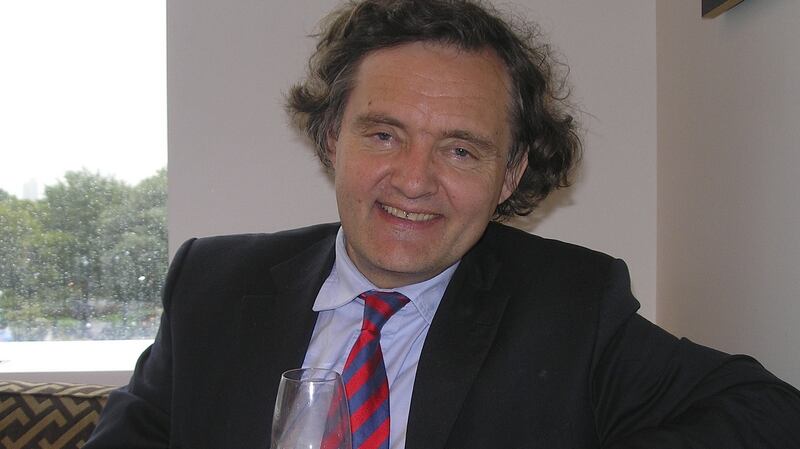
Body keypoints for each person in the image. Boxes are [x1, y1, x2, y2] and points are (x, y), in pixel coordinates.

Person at [85, 1, 800, 448]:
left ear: (509, 175)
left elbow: (769, 411)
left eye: (460, 149)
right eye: (384, 135)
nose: (414, 180)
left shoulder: (572, 306)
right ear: (332, 139)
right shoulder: (211, 285)